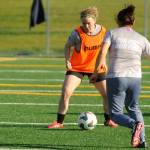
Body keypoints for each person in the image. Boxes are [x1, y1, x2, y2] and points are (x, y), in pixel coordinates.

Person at [48, 6, 117, 129]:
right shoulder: (76, 33)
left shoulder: (103, 32)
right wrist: (67, 60)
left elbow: (106, 50)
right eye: (84, 23)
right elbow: (67, 46)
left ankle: (108, 120)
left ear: (94, 21)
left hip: (96, 68)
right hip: (77, 67)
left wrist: (104, 62)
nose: (86, 26)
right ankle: (59, 122)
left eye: (88, 23)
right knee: (66, 92)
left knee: (107, 94)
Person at [91, 4, 150, 148]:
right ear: (133, 22)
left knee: (115, 114)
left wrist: (96, 72)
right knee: (134, 108)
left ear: (118, 21)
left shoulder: (112, 33)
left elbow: (103, 52)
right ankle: (141, 141)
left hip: (117, 77)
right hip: (135, 78)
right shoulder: (141, 39)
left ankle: (134, 125)